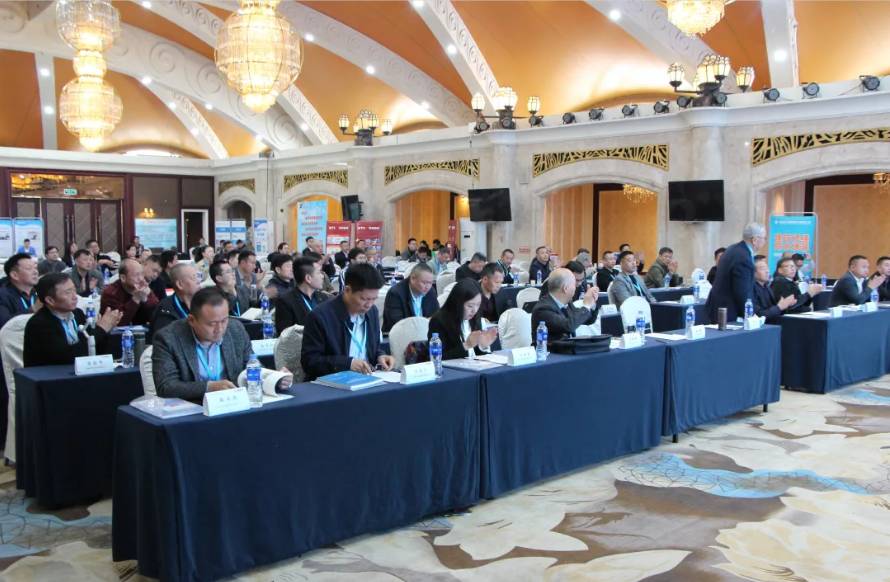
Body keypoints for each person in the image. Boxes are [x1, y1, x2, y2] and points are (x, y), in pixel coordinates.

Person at [152, 288, 271, 401]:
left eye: (224, 320)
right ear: (192, 320)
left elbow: (252, 366)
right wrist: (208, 387)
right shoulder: (168, 339)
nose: (220, 329)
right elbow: (166, 387)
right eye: (212, 324)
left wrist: (272, 379)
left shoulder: (236, 330)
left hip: (233, 403)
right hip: (193, 407)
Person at [301, 263, 395, 380]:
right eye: (364, 299)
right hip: (333, 382)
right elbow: (310, 362)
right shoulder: (320, 317)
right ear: (347, 290)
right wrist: (348, 363)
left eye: (374, 299)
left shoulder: (372, 312)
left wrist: (380, 356)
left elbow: (373, 348)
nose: (369, 305)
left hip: (367, 378)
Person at [23, 273, 121, 367]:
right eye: (68, 292)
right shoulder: (39, 324)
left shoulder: (78, 314)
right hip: (50, 376)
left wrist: (108, 329)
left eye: (74, 290)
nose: (75, 296)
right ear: (50, 300)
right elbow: (67, 357)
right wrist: (101, 328)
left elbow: (94, 349)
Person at [706, 222, 766, 323]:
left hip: (719, 309)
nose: (764, 242)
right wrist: (751, 317)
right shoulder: (743, 258)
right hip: (729, 313)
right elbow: (742, 291)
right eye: (764, 238)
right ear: (754, 240)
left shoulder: (733, 249)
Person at [427, 279, 499, 360]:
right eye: (470, 306)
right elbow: (437, 358)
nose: (474, 310)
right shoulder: (438, 321)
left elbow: (476, 355)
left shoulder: (475, 317)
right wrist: (466, 345)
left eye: (478, 304)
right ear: (457, 303)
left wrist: (482, 347)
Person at [531, 268, 600, 341]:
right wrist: (586, 305)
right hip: (551, 348)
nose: (576, 287)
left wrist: (592, 303)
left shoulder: (566, 303)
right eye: (574, 284)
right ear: (565, 288)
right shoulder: (543, 309)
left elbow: (588, 320)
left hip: (568, 346)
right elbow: (568, 326)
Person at [275, 257, 329, 334]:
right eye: (319, 272)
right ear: (308, 278)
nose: (322, 276)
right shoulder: (285, 301)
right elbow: (285, 334)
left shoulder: (324, 298)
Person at [99, 258, 159, 326]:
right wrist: (135, 299)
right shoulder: (110, 293)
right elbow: (118, 323)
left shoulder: (143, 287)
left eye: (142, 274)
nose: (141, 279)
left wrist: (146, 300)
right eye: (136, 275)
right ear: (123, 278)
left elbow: (157, 315)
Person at [382, 262, 437, 332]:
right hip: (400, 336)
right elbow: (398, 324)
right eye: (424, 282)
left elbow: (436, 316)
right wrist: (424, 323)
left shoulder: (431, 292)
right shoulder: (395, 294)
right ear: (412, 278)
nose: (427, 287)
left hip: (424, 334)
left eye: (430, 283)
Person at [150, 263, 201, 339]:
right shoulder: (166, 311)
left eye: (198, 276)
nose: (198, 281)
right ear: (180, 284)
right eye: (194, 277)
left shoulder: (203, 303)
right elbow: (164, 340)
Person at [752, 256, 797, 323]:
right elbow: (758, 315)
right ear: (753, 272)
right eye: (763, 269)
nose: (767, 271)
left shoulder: (767, 287)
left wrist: (786, 304)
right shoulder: (751, 289)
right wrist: (779, 307)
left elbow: (774, 309)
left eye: (767, 268)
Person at [0, 254, 39, 329]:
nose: (35, 272)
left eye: (35, 268)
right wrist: (33, 309)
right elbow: (4, 324)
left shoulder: (40, 292)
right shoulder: (2, 296)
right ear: (14, 275)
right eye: (29, 268)